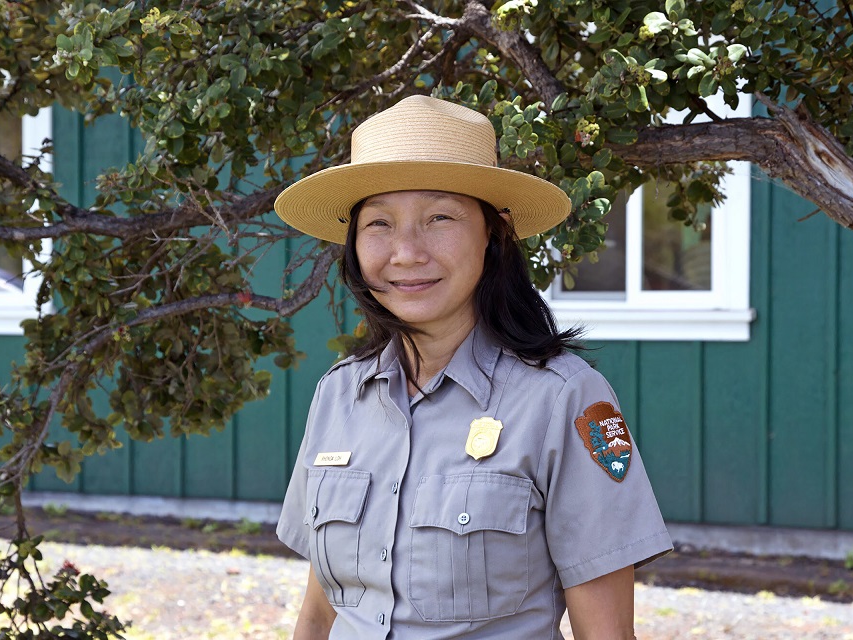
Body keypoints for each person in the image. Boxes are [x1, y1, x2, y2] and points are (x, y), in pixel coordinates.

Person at [273, 95, 672, 640]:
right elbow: (324, 610)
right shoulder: (341, 393)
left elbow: (606, 634)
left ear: (496, 232)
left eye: (439, 218)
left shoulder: (563, 399)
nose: (406, 252)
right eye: (380, 223)